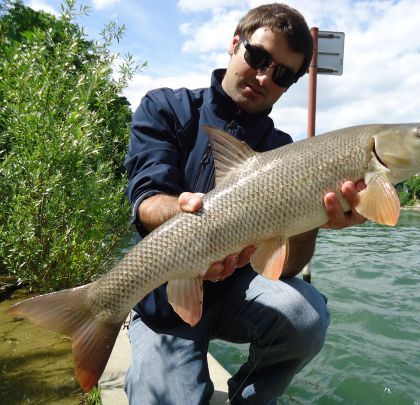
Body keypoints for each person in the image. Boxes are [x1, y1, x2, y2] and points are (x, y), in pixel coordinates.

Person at [123, 3, 366, 404]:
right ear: (235, 44)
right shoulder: (166, 108)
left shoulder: (284, 150)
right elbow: (147, 203)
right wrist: (190, 215)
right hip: (164, 297)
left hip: (240, 295)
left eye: (283, 74)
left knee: (307, 318)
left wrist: (313, 215)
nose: (265, 76)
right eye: (258, 57)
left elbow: (283, 268)